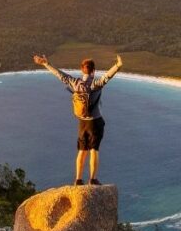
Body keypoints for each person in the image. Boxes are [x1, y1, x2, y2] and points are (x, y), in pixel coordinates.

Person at [32, 53, 122, 185]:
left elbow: (59, 75)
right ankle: (93, 179)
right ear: (93, 70)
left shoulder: (75, 83)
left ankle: (78, 179)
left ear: (82, 70)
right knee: (94, 150)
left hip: (82, 122)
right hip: (95, 122)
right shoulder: (95, 84)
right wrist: (118, 65)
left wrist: (46, 63)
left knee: (81, 151)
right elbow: (107, 77)